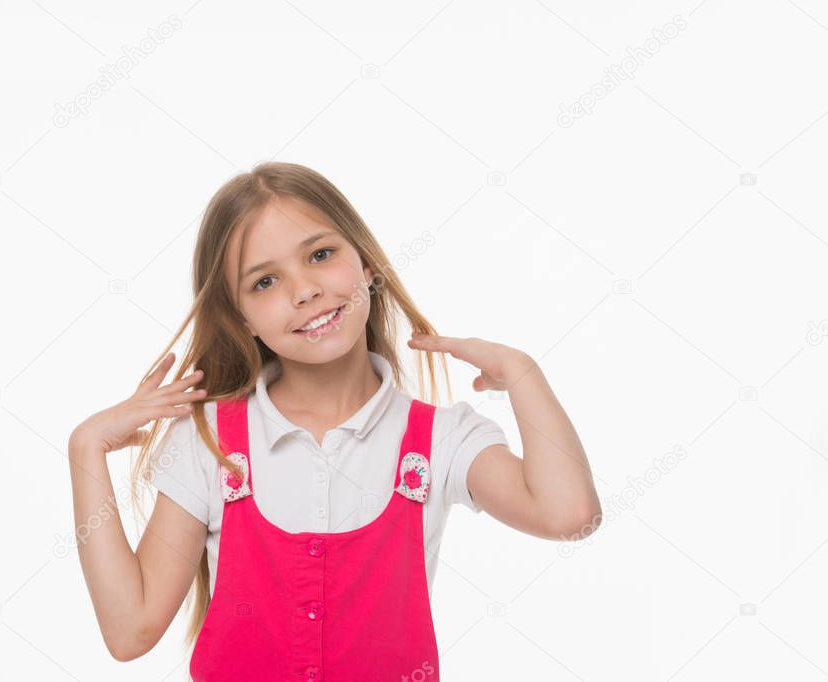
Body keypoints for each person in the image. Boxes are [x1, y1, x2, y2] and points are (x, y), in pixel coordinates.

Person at [68, 161, 601, 680]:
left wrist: (523, 371)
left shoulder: (440, 439)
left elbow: (570, 515)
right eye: (264, 282)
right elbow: (129, 631)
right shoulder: (209, 440)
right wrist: (86, 447)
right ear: (241, 319)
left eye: (320, 254)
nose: (304, 290)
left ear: (366, 266)